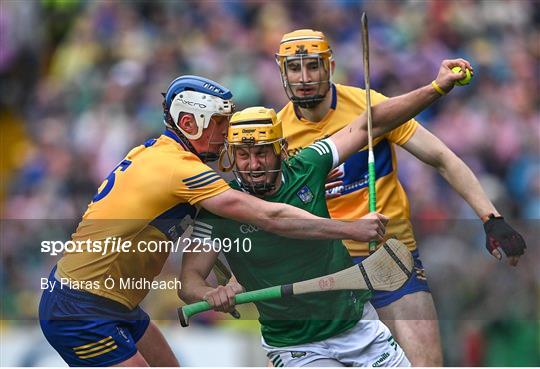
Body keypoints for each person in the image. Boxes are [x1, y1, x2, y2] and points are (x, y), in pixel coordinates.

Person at [38, 75, 389, 367]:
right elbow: (269, 217)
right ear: (189, 123)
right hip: (80, 308)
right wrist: (351, 228)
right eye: (220, 123)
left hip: (114, 303)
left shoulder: (156, 152)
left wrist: (294, 183)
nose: (227, 132)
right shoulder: (179, 169)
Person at [180, 58, 473, 367]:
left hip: (358, 328)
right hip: (294, 347)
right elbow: (189, 281)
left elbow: (369, 122)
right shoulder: (219, 208)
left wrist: (436, 88)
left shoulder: (309, 165)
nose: (253, 166)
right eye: (243, 155)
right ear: (230, 157)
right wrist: (210, 294)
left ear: (280, 148)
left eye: (262, 152)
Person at [274, 29, 527, 366]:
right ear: (282, 72)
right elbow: (268, 214)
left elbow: (442, 158)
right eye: (294, 68)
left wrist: (490, 218)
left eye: (313, 66)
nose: (304, 77)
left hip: (389, 260)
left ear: (330, 66)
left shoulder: (370, 105)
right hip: (324, 272)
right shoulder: (275, 134)